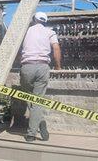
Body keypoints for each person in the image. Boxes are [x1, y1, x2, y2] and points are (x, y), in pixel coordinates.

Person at [20, 11, 62, 142]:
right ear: (45, 21)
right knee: (37, 101)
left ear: (34, 19)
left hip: (27, 66)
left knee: (28, 96)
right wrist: (58, 66)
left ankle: (34, 128)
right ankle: (36, 127)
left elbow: (16, 48)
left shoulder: (25, 31)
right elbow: (56, 48)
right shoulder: (50, 32)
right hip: (43, 67)